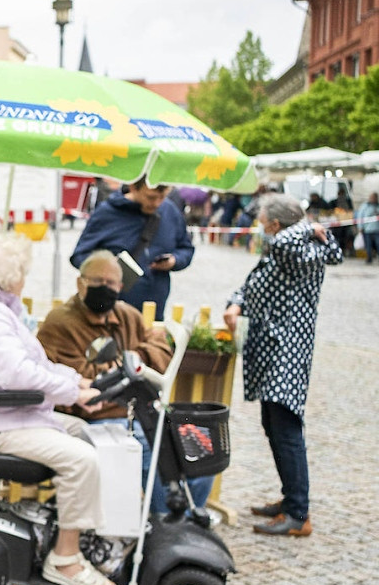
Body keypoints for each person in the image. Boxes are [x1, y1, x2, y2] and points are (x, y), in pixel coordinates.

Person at [0, 234, 114, 585]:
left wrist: (76, 384)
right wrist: (70, 391)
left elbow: (32, 363)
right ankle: (65, 560)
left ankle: (69, 532)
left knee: (82, 432)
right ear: (9, 276)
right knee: (82, 459)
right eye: (24, 272)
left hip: (0, 413)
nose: (25, 279)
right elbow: (16, 374)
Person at [39, 250, 214, 514]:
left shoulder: (126, 315)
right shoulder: (60, 322)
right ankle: (164, 523)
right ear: (80, 283)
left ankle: (183, 523)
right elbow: (80, 378)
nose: (105, 288)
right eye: (97, 281)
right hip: (98, 416)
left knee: (199, 444)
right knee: (148, 449)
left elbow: (160, 349)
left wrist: (133, 360)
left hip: (141, 410)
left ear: (121, 287)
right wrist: (128, 366)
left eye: (111, 283)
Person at [223, 193, 342, 537]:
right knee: (273, 424)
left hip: (286, 348)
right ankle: (292, 497)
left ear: (276, 225)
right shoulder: (288, 248)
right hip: (271, 347)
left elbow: (299, 239)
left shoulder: (294, 249)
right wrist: (235, 303)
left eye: (263, 223)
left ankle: (297, 513)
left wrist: (309, 227)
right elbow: (252, 284)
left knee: (286, 426)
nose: (260, 229)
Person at [70, 177, 195, 320]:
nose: (156, 203)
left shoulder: (169, 211)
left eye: (162, 197)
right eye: (151, 197)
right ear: (133, 187)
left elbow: (186, 248)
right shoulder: (107, 213)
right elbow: (79, 255)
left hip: (153, 307)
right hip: (110, 309)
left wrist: (174, 260)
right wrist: (105, 266)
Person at [358, 192, 379, 263]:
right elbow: (360, 216)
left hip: (376, 229)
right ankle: (369, 258)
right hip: (367, 229)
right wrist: (360, 227)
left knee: (378, 244)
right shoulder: (365, 206)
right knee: (368, 245)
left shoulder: (377, 206)